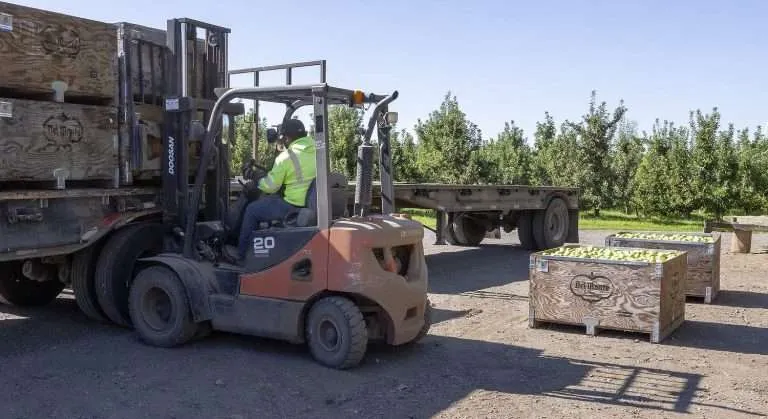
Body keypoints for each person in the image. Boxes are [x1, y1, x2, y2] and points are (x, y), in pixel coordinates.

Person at [230, 119, 317, 262]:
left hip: (293, 205)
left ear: (286, 137)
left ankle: (241, 255)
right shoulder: (318, 151)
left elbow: (271, 186)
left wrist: (256, 179)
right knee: (270, 201)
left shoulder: (286, 157)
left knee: (252, 210)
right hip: (310, 203)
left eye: (283, 137)